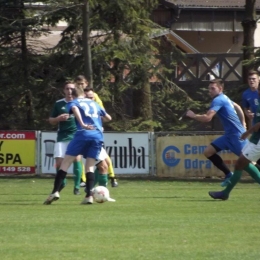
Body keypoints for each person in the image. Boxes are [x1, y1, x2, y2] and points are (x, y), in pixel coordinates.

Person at [44, 83, 112, 205]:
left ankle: (55, 191)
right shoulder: (94, 103)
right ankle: (89, 196)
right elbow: (108, 118)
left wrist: (83, 123)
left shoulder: (73, 102)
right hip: (97, 136)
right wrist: (96, 121)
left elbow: (75, 109)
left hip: (82, 134)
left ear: (74, 95)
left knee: (65, 162)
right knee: (90, 167)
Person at [186, 79, 247, 186]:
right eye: (209, 88)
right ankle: (229, 174)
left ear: (220, 89)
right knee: (208, 152)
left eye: (213, 88)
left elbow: (207, 118)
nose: (210, 91)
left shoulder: (218, 100)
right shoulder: (224, 97)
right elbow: (237, 106)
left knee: (250, 162)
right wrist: (243, 122)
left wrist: (193, 116)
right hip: (229, 135)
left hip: (236, 136)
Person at [209, 86, 260, 200]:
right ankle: (225, 193)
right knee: (241, 164)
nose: (258, 92)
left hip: (257, 141)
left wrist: (247, 132)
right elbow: (237, 106)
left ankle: (225, 193)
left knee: (242, 164)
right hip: (254, 140)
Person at [75, 75, 118, 188]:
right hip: (81, 135)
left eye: (82, 84)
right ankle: (83, 182)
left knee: (103, 163)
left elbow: (103, 114)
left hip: (94, 134)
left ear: (86, 83)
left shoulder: (93, 98)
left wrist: (100, 124)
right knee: (77, 159)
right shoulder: (75, 100)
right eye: (78, 84)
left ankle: (100, 184)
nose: (80, 86)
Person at [49, 82, 82, 195]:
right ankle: (62, 182)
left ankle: (77, 186)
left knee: (77, 159)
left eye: (72, 89)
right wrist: (58, 118)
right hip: (62, 137)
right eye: (67, 88)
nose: (69, 91)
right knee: (59, 163)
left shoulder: (79, 103)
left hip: (76, 135)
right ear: (64, 90)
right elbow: (51, 120)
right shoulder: (59, 104)